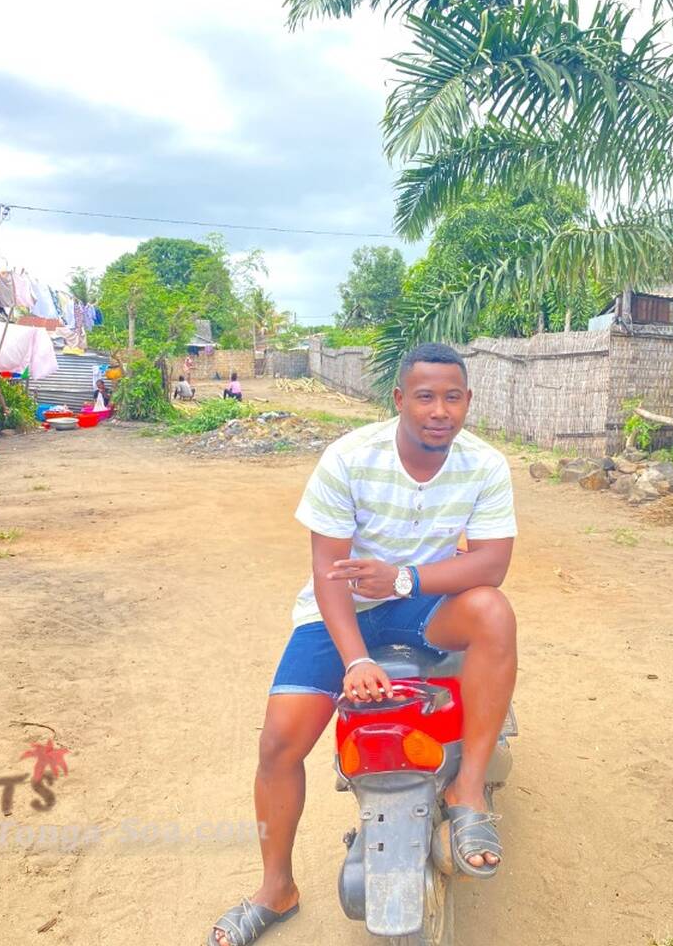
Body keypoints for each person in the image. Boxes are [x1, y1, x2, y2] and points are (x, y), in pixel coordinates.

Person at [207, 343, 518, 946]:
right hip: (340, 613)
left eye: (452, 398)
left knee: (493, 613)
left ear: (468, 402)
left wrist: (404, 579)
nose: (439, 411)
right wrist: (355, 658)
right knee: (278, 744)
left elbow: (492, 564)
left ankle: (468, 792)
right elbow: (329, 572)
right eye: (425, 397)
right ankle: (276, 889)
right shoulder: (349, 458)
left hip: (423, 601)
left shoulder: (485, 464)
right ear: (399, 399)